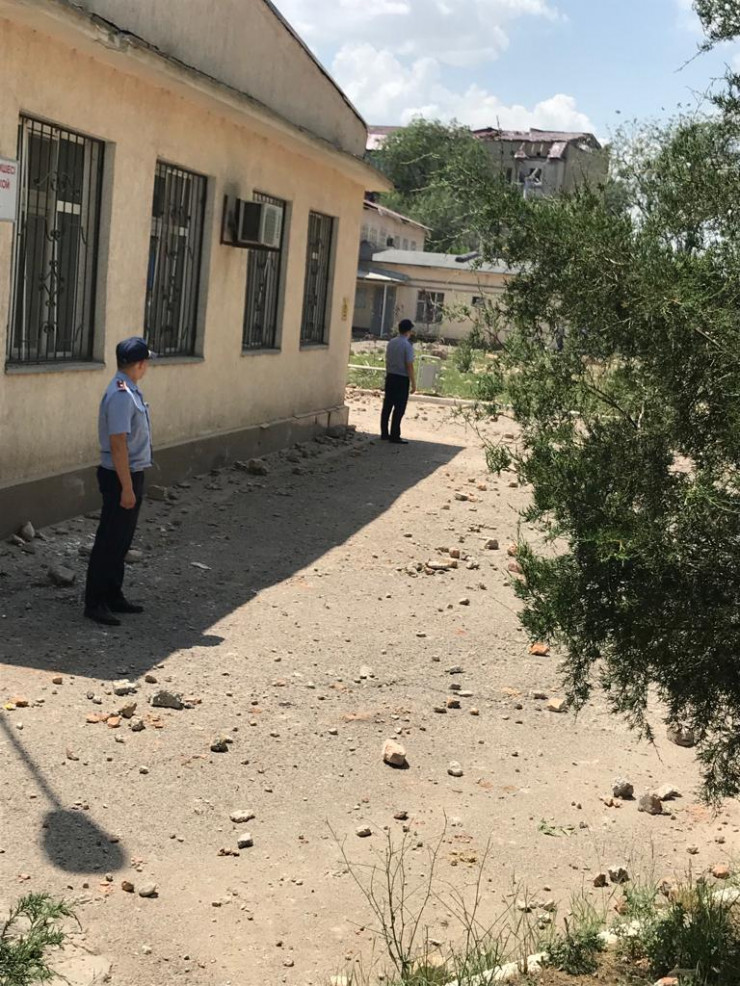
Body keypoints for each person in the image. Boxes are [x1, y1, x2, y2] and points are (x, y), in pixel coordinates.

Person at [84, 337, 155, 626]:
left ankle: (113, 594)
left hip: (130, 473)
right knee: (110, 540)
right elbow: (117, 444)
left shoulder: (130, 390)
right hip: (119, 476)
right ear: (139, 364)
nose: (147, 366)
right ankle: (95, 602)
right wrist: (126, 487)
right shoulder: (121, 395)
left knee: (122, 540)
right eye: (146, 362)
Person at [380, 319, 416, 445]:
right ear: (408, 331)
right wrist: (413, 382)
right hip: (402, 378)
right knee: (399, 408)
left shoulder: (391, 342)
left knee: (387, 406)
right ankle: (395, 435)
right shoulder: (407, 345)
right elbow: (409, 365)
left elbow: (387, 359)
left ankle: (384, 433)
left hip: (390, 376)